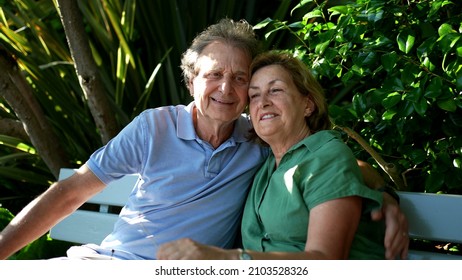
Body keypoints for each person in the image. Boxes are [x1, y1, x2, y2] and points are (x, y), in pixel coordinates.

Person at [0, 19, 408, 260]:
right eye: (214, 74)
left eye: (240, 78)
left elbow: (329, 166)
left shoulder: (257, 136)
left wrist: (384, 198)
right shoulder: (154, 126)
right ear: (192, 79)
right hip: (110, 261)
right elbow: (71, 191)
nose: (226, 89)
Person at [156, 51, 407, 260]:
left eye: (275, 90)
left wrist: (230, 259)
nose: (263, 102)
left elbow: (326, 260)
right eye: (254, 95)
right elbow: (353, 167)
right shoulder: (262, 161)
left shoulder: (327, 155)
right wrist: (384, 192)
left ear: (307, 105)